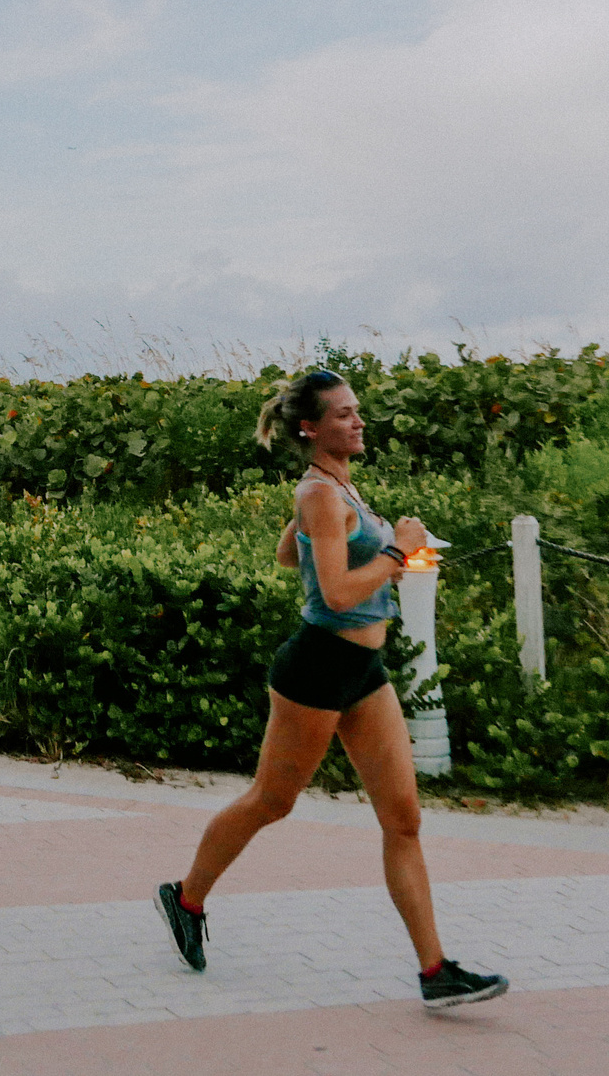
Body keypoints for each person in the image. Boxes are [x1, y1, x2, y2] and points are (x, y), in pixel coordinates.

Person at [154, 368, 509, 1009]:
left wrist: (360, 542)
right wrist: (398, 553)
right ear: (311, 428)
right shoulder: (321, 493)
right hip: (317, 668)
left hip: (364, 674)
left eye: (357, 411)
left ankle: (436, 972)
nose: (359, 420)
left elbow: (293, 558)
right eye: (344, 414)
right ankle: (184, 897)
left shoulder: (334, 489)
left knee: (403, 821)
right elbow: (340, 591)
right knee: (272, 800)